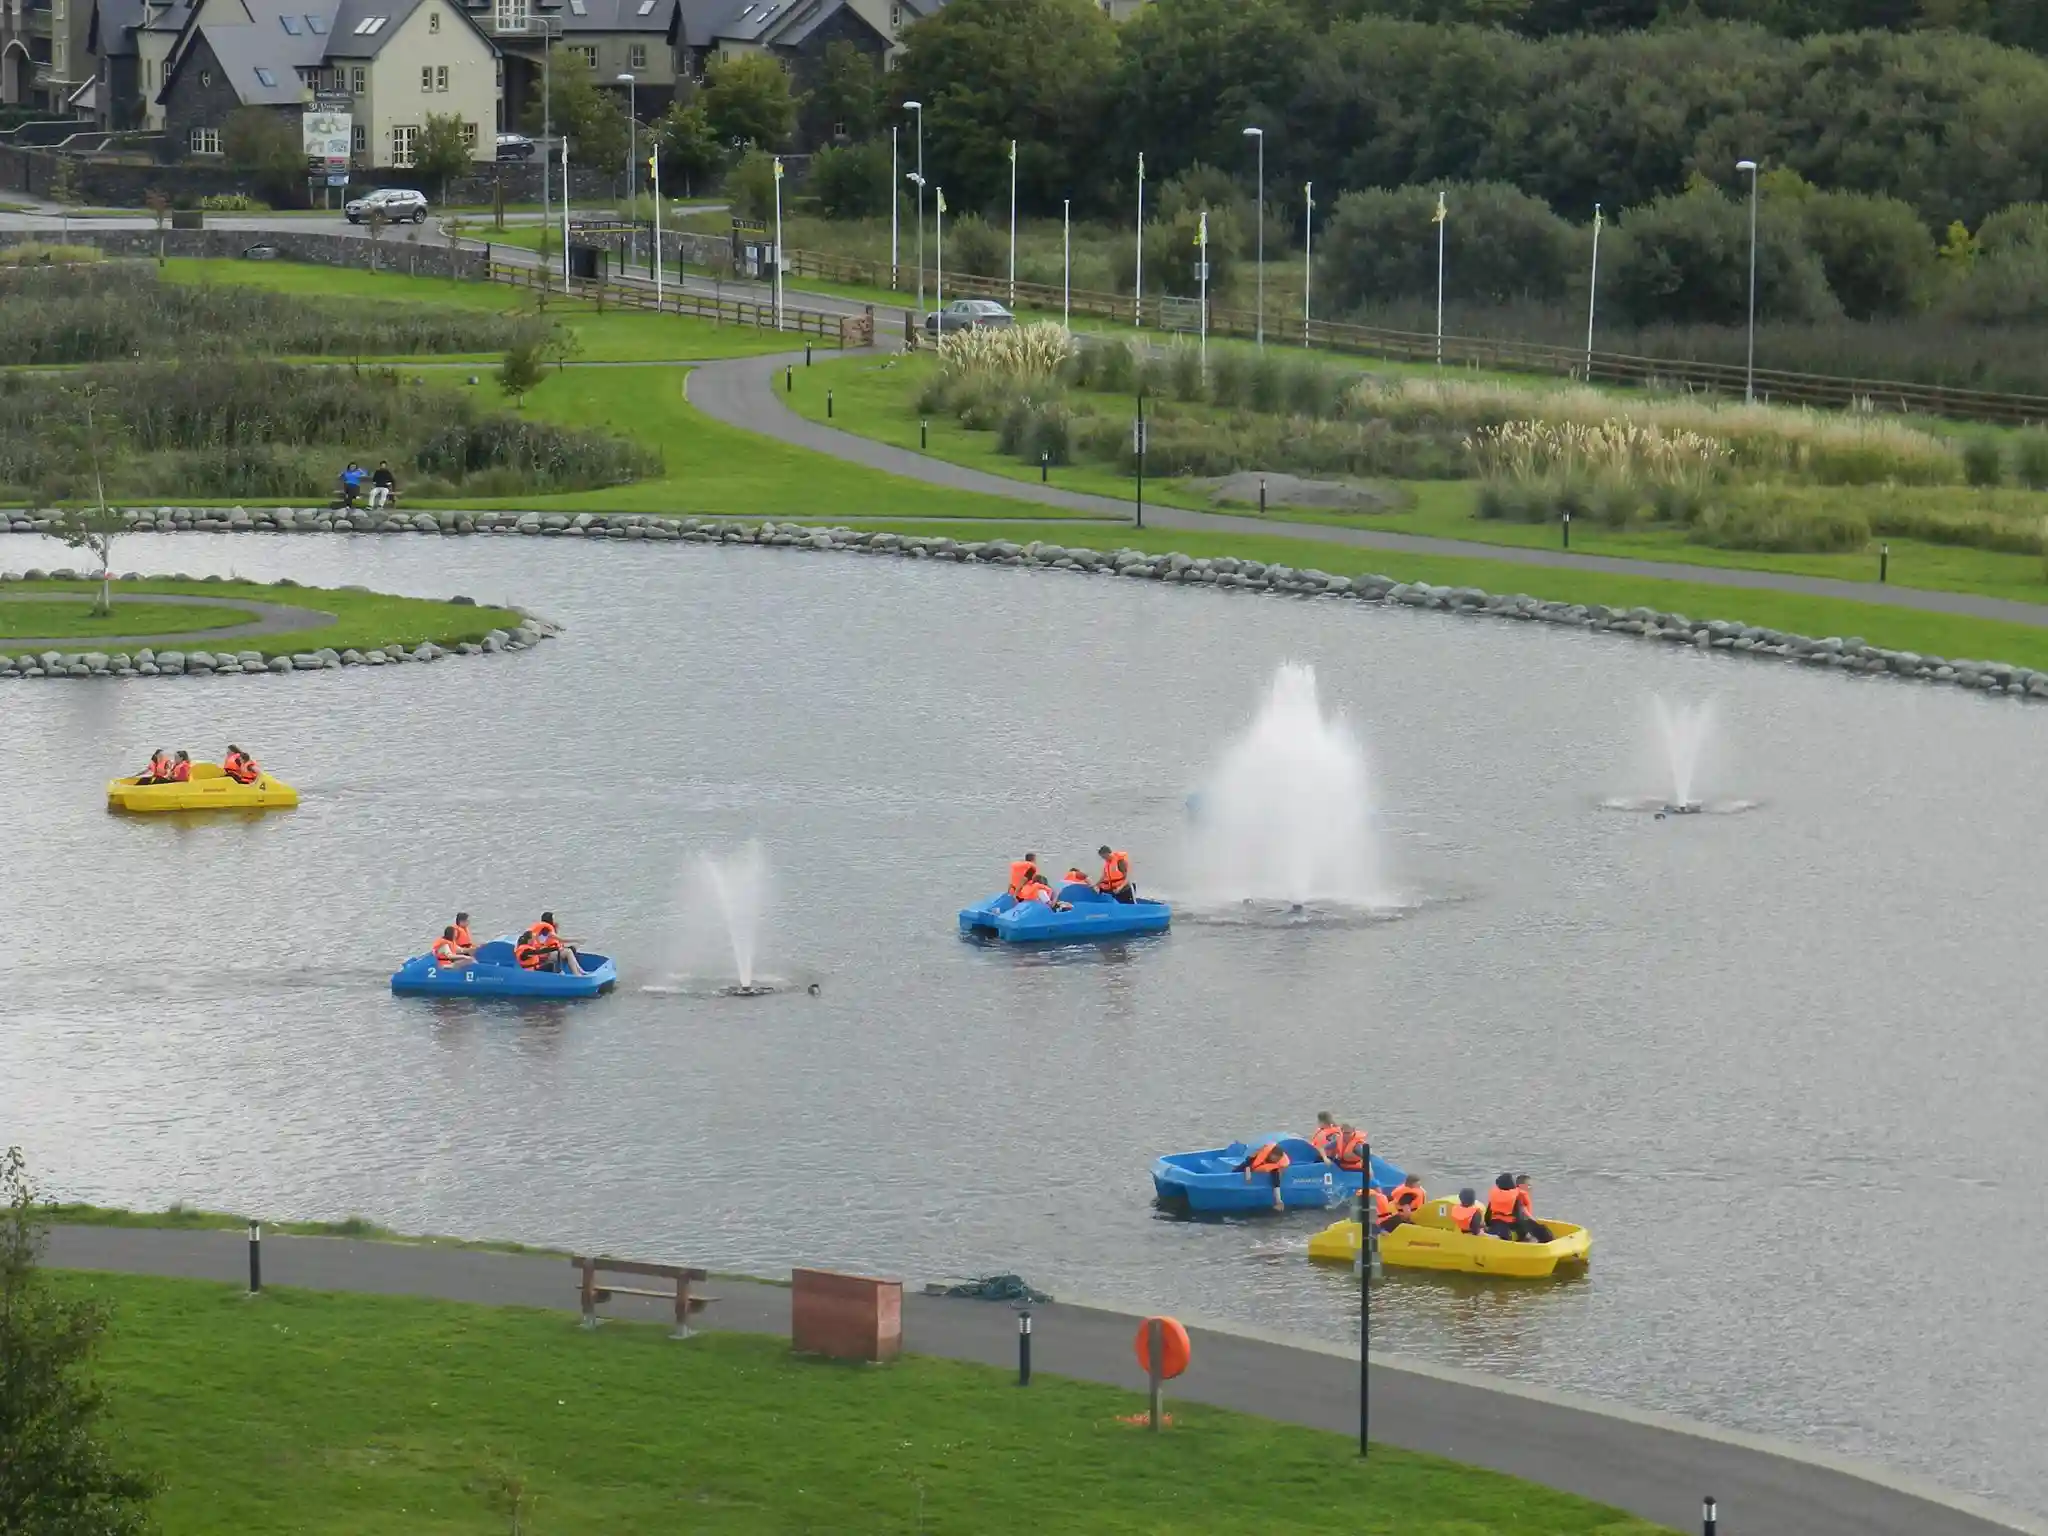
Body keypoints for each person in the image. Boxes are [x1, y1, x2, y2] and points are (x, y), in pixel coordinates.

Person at [1236, 1140, 1290, 1211]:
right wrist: (1248, 1176)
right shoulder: (1261, 1154)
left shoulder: (1276, 1165)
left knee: (1276, 1177)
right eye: (1275, 1158)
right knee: (1239, 1168)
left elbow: (1277, 1182)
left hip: (1266, 1169)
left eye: (1278, 1159)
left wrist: (1279, 1200)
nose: (1276, 1160)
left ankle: (1279, 1201)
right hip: (1250, 1165)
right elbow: (1248, 1164)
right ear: (1270, 1154)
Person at [533, 911, 586, 976]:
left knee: (571, 949)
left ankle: (580, 970)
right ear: (550, 920)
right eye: (554, 918)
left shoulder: (549, 928)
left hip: (550, 951)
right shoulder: (546, 931)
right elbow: (562, 939)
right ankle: (577, 974)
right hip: (547, 955)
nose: (556, 920)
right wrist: (578, 940)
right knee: (568, 952)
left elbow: (556, 942)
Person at [1512, 1173, 1555, 1244]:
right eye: (1529, 1186)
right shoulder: (1520, 1196)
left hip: (1518, 1223)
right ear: (1521, 1186)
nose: (1531, 1188)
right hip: (1520, 1223)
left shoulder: (1515, 1194)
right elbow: (1523, 1211)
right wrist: (1535, 1222)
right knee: (1543, 1230)